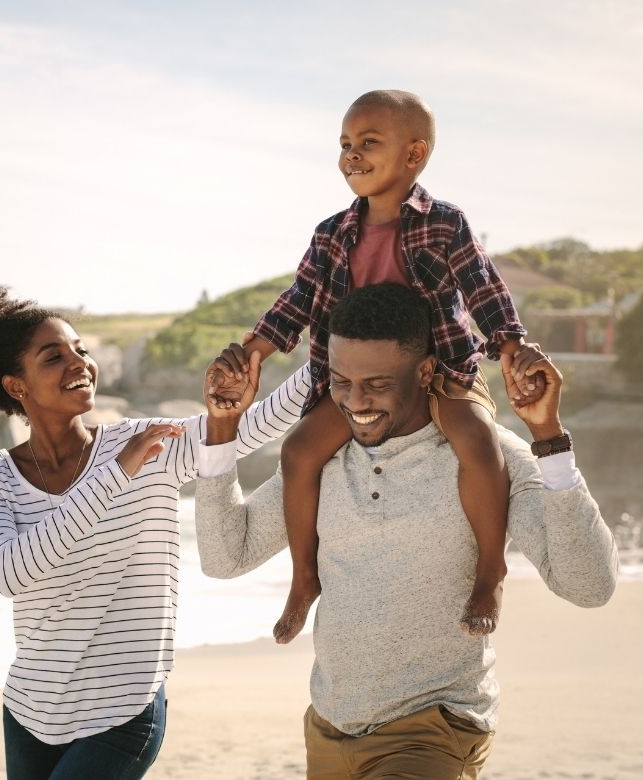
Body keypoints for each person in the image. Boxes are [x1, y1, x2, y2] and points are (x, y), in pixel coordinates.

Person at [196, 283, 618, 779]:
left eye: (377, 384)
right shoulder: (322, 459)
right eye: (341, 382)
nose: (355, 401)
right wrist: (222, 428)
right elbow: (226, 558)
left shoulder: (489, 458)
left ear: (423, 372)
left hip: (433, 727)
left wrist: (548, 436)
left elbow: (589, 586)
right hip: (330, 726)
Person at [209, 89, 545, 643]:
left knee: (478, 441)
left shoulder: (444, 223)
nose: (352, 155)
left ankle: (490, 573)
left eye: (368, 142)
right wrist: (255, 351)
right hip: (359, 382)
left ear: (414, 154)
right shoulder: (331, 232)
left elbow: (482, 288)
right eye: (345, 144)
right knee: (298, 451)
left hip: (441, 370)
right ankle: (304, 578)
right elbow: (298, 299)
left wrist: (511, 345)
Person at [0, 287, 310, 780]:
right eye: (54, 357)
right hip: (30, 712)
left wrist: (333, 356)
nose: (79, 364)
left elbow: (253, 425)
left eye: (81, 350)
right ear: (16, 385)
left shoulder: (147, 443)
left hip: (123, 712)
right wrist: (116, 474)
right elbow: (10, 573)